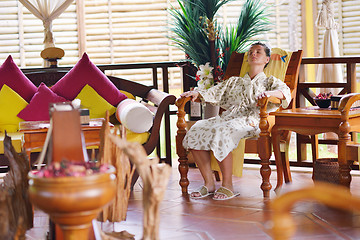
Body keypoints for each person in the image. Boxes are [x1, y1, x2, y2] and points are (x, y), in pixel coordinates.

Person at [181, 42, 291, 200]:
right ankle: (209, 183)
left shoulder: (269, 82)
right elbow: (214, 91)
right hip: (230, 117)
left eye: (258, 52)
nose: (253, 54)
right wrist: (196, 94)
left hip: (253, 120)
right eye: (251, 51)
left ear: (267, 59)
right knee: (197, 129)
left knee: (222, 130)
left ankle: (228, 186)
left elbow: (285, 92)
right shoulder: (234, 81)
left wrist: (269, 94)